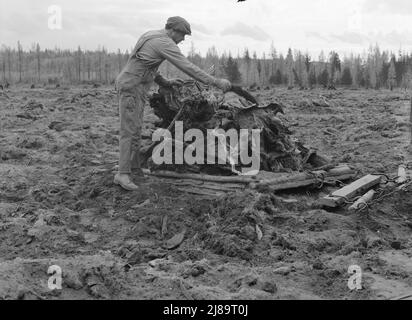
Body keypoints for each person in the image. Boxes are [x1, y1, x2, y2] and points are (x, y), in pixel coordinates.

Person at [114, 16, 232, 191]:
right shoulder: (164, 42)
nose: (183, 39)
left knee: (136, 129)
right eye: (183, 35)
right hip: (132, 87)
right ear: (173, 31)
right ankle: (122, 174)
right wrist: (215, 82)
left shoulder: (151, 35)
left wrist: (164, 83)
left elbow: (146, 63)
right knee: (129, 130)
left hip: (135, 86)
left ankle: (135, 169)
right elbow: (187, 66)